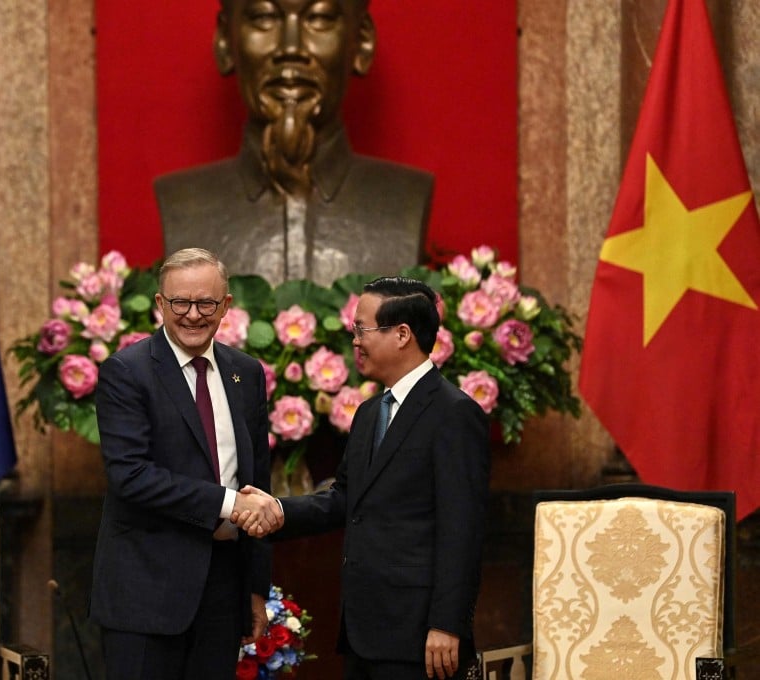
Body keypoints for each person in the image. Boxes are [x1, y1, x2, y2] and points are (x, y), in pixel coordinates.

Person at [236, 276, 490, 680]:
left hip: (422, 634)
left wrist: (447, 623)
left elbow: (464, 529)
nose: (354, 340)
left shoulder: (454, 414)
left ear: (403, 334)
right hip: (364, 628)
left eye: (362, 329)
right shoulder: (371, 412)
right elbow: (345, 499)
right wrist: (277, 510)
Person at [90, 248, 285, 679]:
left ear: (226, 307)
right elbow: (131, 476)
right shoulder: (127, 372)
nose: (193, 315)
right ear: (160, 304)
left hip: (221, 588)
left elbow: (257, 482)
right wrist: (227, 504)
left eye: (206, 304)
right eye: (180, 303)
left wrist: (255, 588)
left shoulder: (246, 372)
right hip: (145, 593)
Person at [155, 0, 434, 286]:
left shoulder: (407, 198)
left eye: (320, 17)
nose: (290, 48)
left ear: (361, 41)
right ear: (226, 41)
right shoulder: (183, 202)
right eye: (264, 16)